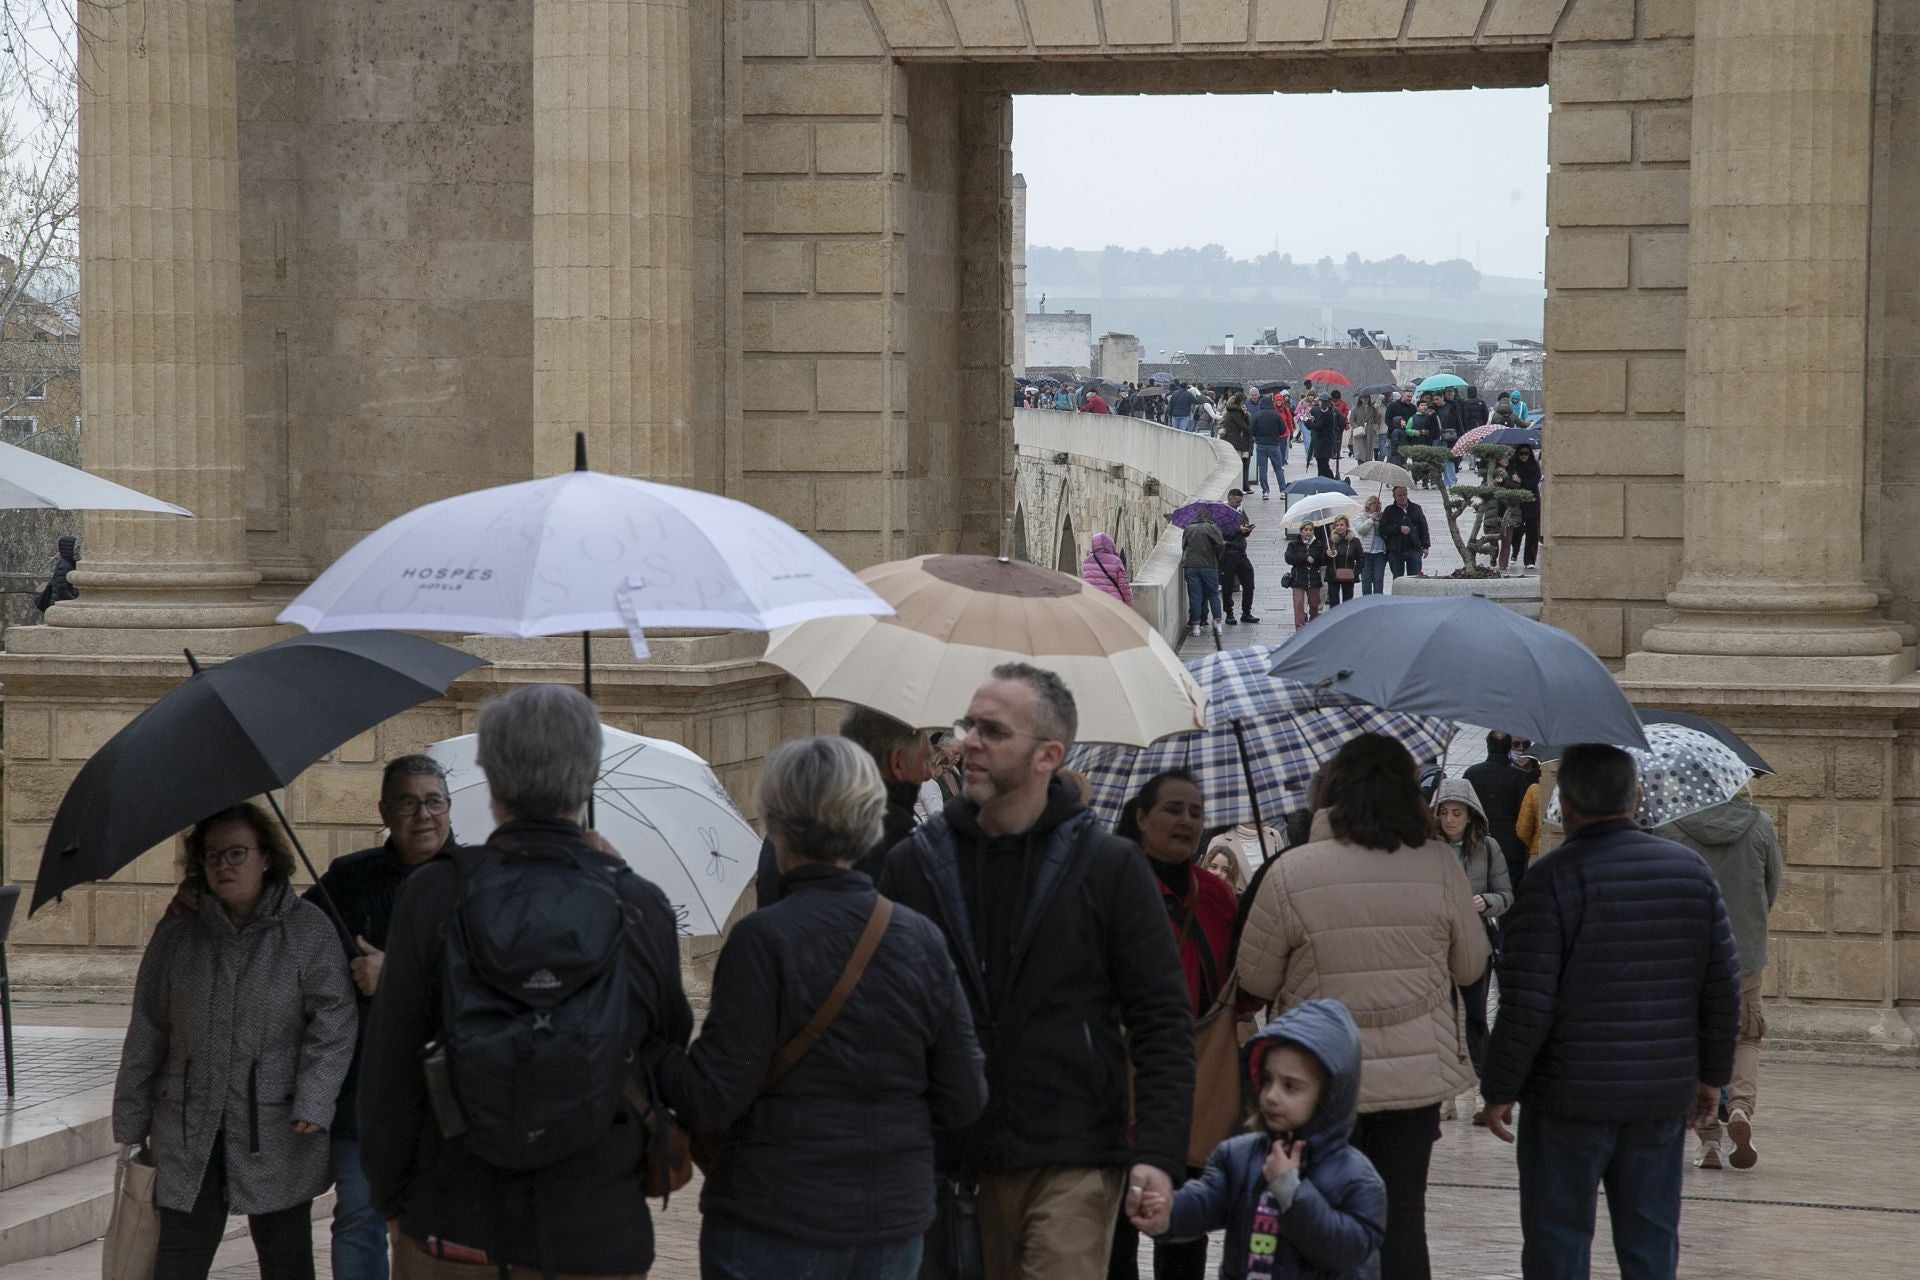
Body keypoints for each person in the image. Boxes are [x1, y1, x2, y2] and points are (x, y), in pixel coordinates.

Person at [360, 684, 694, 1280]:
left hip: (456, 1221)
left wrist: (397, 1203)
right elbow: (666, 1040)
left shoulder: (432, 895)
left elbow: (388, 1074)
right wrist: (614, 877)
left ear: (490, 780)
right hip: (596, 1227)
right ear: (588, 775)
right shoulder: (640, 904)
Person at [879, 664, 1194, 1280]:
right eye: (969, 724)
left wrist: (1158, 1152)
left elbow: (1161, 1019)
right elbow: (884, 1023)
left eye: (993, 731)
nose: (967, 740)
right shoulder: (913, 866)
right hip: (947, 1163)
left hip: (1072, 1159)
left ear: (1049, 755)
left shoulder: (1109, 867)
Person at [647, 736, 987, 1279]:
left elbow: (710, 1097)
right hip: (890, 1225)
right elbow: (966, 1096)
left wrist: (655, 1050)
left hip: (774, 1216)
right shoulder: (920, 938)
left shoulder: (763, 941)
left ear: (778, 823)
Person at [1481, 744, 1740, 1280]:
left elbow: (1526, 1001)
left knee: (1558, 1241)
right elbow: (1721, 989)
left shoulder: (1550, 879)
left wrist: (1500, 1086)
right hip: (1658, 1093)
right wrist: (1713, 1078)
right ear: (1637, 797)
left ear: (1565, 805)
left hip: (1565, 1098)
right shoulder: (1690, 874)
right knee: (1650, 1243)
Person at [1237, 734, 1488, 1280]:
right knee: (1401, 1218)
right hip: (1412, 1080)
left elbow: (1255, 978)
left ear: (1331, 793)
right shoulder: (1440, 866)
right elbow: (1470, 966)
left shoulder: (1291, 871)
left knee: (1311, 1213)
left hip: (1316, 1083)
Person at [114, 804, 357, 1280]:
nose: (224, 865)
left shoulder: (306, 929)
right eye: (212, 856)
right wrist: (131, 1113)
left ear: (266, 857)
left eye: (237, 853)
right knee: (178, 1257)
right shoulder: (179, 934)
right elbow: (149, 1025)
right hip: (188, 1122)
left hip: (277, 1123)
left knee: (286, 1256)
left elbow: (334, 1018)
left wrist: (315, 1096)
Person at [310, 756, 462, 1280]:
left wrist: (393, 972)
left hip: (455, 1091)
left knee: (450, 1228)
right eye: (407, 802)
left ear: (448, 807)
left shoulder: (479, 879)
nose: (423, 814)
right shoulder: (348, 880)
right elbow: (286, 936)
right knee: (358, 1218)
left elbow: (492, 976)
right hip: (368, 1091)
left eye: (434, 800)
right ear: (384, 810)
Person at [1132, 1001, 1387, 1280]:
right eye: (1267, 1080)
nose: (1272, 1095)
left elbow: (1345, 1250)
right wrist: (1168, 1212)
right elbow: (1204, 1203)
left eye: (1290, 1086)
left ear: (1329, 1094)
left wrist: (1292, 1192)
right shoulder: (1239, 1157)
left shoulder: (1356, 1178)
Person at [1108, 770, 1237, 1280]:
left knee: (1184, 1224)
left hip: (1189, 1081)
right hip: (1117, 1077)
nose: (1187, 821)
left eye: (1196, 812)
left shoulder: (1216, 895)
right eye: (1173, 810)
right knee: (1114, 1224)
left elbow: (1236, 990)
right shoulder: (1110, 885)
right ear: (1140, 818)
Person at [1654, 795, 1782, 1171]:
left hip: (1686, 952)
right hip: (1744, 952)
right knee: (1745, 1033)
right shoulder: (1760, 824)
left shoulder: (1668, 827)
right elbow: (1771, 885)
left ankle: (1708, 1137)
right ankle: (1740, 1108)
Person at [755, 706, 937, 908]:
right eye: (926, 759)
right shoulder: (897, 840)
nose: (928, 774)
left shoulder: (786, 827)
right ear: (898, 762)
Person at [1429, 779, 1513, 1113]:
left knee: (1475, 1015)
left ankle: (1483, 1090)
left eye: (1457, 813)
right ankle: (1446, 1094)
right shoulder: (1425, 848)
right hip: (1434, 944)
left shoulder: (1488, 848)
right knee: (1443, 1017)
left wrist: (1486, 901)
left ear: (1470, 815)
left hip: (1475, 943)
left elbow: (1506, 895)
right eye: (1444, 812)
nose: (1449, 820)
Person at [1462, 731, 1534, 894]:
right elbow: (1526, 815)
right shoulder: (1520, 777)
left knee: (1478, 894)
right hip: (1511, 848)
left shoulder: (1472, 773)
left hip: (1478, 842)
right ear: (1508, 747)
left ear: (1488, 747)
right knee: (1508, 894)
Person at [1182, 515, 1225, 638]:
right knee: (1213, 595)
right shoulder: (1213, 528)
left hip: (1191, 565)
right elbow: (1220, 545)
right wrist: (1217, 557)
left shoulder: (1188, 528)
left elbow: (1184, 546)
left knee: (1195, 597)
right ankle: (1218, 626)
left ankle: (1196, 628)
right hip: (1209, 565)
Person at [1220, 491, 1259, 626]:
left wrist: (1247, 530)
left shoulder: (1240, 511)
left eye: (1240, 501)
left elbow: (1243, 532)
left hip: (1241, 553)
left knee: (1249, 583)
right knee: (1228, 585)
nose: (1239, 504)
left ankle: (1246, 612)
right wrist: (1238, 531)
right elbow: (1221, 535)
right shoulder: (1222, 514)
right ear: (1229, 499)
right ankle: (1229, 613)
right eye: (1237, 501)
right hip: (1228, 555)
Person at [1503, 444, 1542, 576]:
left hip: (1532, 501)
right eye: (1521, 453)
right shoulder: (1513, 466)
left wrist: (1521, 481)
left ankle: (1530, 560)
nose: (1524, 456)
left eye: (1526, 453)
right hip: (1517, 503)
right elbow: (1507, 482)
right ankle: (1514, 553)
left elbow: (1533, 482)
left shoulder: (1534, 466)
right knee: (1516, 530)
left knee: (1532, 531)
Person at [1284, 519, 1328, 631]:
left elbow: (1322, 561)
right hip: (1298, 579)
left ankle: (1313, 626)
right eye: (1306, 530)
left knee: (1314, 605)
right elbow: (1289, 558)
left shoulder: (1319, 544)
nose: (1308, 532)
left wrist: (1327, 554)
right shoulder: (1293, 544)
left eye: (1310, 530)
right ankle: (1300, 628)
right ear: (1301, 531)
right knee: (1298, 604)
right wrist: (1305, 557)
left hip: (1313, 579)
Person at [1379, 486, 1429, 582]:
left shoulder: (1416, 508)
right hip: (1396, 550)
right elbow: (1383, 528)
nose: (1402, 498)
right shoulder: (1389, 510)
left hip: (1413, 548)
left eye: (1404, 495)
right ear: (1394, 496)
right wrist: (1398, 528)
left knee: (1415, 578)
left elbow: (1424, 528)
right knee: (1398, 579)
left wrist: (1426, 546)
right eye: (1399, 495)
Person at [1250, 396, 1288, 498]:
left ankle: (1265, 492)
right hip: (1274, 445)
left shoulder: (1257, 415)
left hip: (1261, 445)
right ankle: (1283, 491)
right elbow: (1283, 430)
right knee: (1278, 469)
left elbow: (1251, 431)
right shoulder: (1276, 415)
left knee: (1263, 469)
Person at [1084, 531, 1134, 605]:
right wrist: (1128, 604)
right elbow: (1124, 586)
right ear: (1110, 545)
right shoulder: (1115, 561)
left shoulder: (1086, 562)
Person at [1323, 515, 1362, 609]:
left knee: (1347, 603)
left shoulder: (1354, 541)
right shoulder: (1330, 541)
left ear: (1346, 526)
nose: (1339, 527)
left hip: (1348, 575)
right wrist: (1326, 554)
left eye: (1341, 525)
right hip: (1333, 575)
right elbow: (1323, 561)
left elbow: (1361, 559)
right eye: (1337, 525)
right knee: (1334, 603)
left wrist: (1355, 572)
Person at [33, 533, 79, 612]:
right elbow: (62, 588)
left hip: (58, 602)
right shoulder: (65, 566)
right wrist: (73, 601)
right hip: (59, 604)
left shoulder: (65, 563)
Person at [1219, 393, 1254, 490]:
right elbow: (1245, 427)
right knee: (1241, 467)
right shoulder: (1236, 414)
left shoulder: (1231, 413)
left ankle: (1244, 486)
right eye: (1242, 404)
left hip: (1238, 442)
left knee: (1242, 466)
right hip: (1239, 443)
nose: (1244, 407)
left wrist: (1246, 415)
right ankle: (1240, 487)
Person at [1354, 495, 1388, 596]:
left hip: (1380, 552)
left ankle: (1378, 600)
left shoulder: (1382, 516)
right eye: (1374, 504)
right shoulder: (1361, 516)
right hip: (1366, 552)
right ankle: (1367, 601)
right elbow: (1361, 530)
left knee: (1378, 579)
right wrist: (1370, 520)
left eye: (1378, 504)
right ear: (1369, 505)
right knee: (1366, 579)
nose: (1376, 506)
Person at [1307, 395, 1341, 479]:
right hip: (1321, 444)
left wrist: (1308, 421)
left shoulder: (1328, 414)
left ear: (1324, 402)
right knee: (1321, 465)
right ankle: (1322, 481)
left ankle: (1330, 482)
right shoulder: (1325, 413)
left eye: (1320, 401)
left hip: (1324, 444)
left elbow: (1317, 427)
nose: (1318, 403)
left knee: (1324, 466)